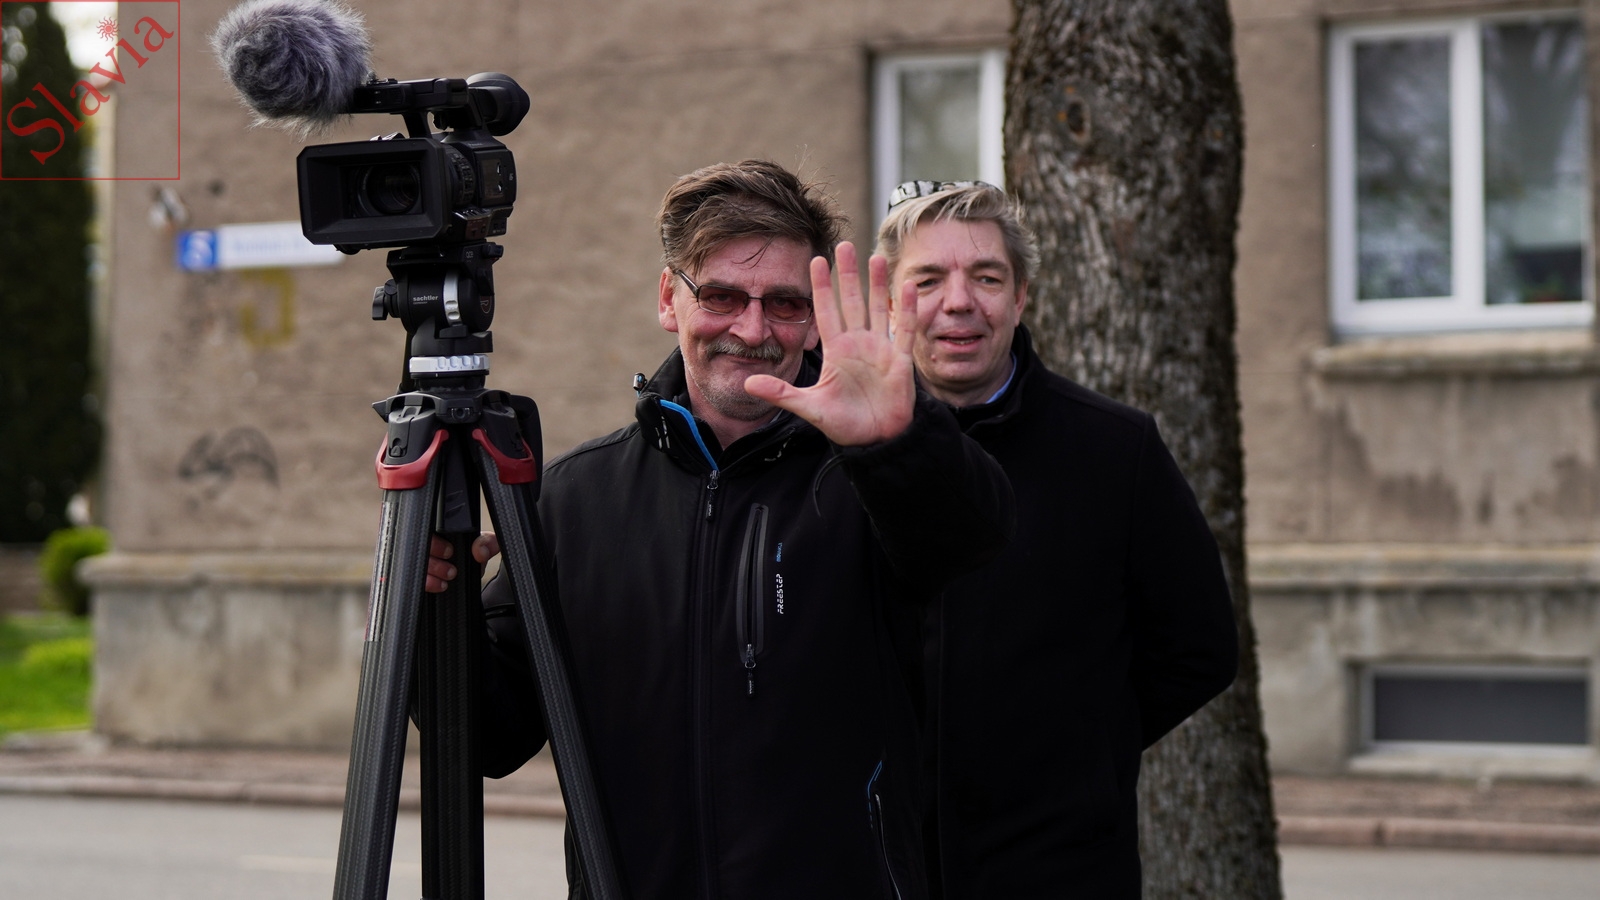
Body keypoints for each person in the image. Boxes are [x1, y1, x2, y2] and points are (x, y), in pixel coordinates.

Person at [428, 161, 1014, 899]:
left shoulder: (869, 477)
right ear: (669, 299)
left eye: (785, 303)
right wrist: (435, 609)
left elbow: (977, 543)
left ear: (814, 317)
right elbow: (490, 736)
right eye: (723, 296)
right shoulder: (577, 498)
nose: (753, 329)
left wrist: (900, 439)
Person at [875, 181, 1238, 898]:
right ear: (890, 302)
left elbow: (1200, 649)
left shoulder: (1116, 449)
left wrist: (1081, 755)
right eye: (928, 279)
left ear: (1021, 298)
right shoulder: (835, 455)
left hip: (1059, 870)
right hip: (881, 868)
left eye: (987, 277)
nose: (958, 302)